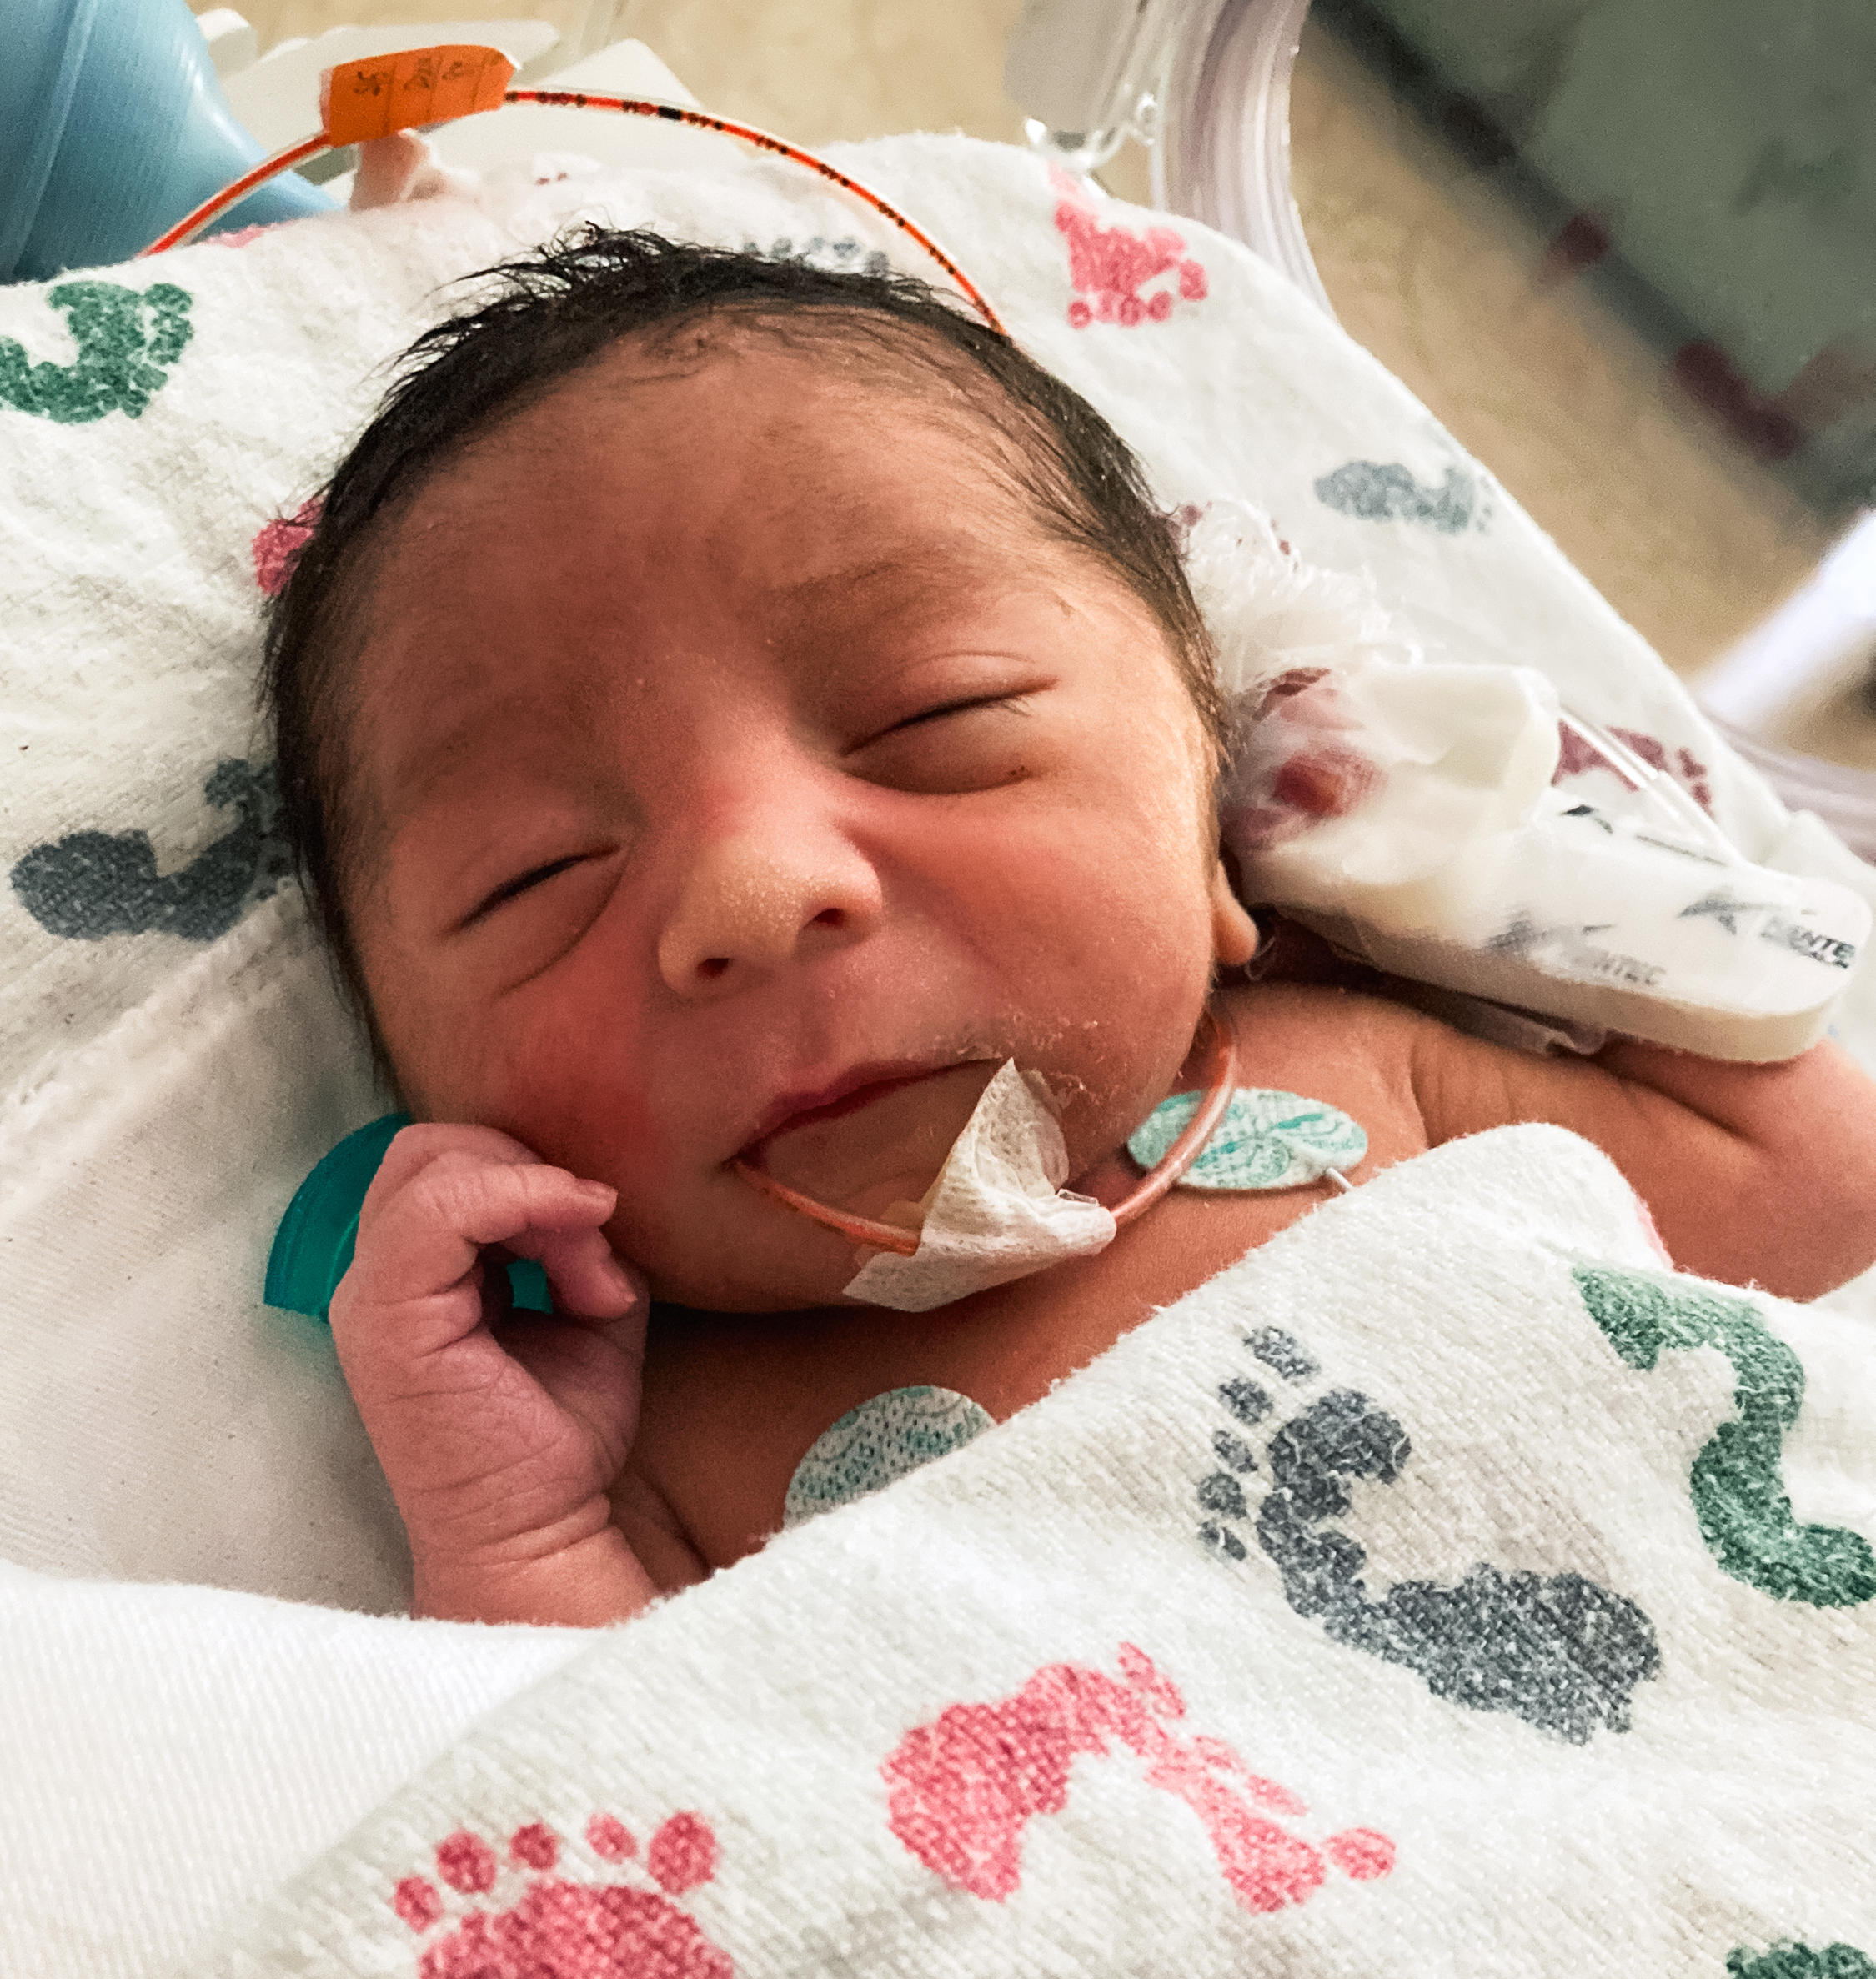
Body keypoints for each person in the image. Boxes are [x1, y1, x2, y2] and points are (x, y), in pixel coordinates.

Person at [264, 229, 1876, 1628]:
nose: (754, 892)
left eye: (934, 720)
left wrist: (1439, 884)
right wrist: (516, 1526)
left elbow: (1822, 1196)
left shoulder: (1378, 1078)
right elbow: (605, 1794)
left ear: (1215, 783)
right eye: (534, 873)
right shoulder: (660, 1445)